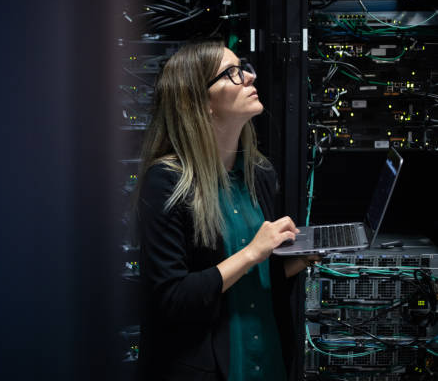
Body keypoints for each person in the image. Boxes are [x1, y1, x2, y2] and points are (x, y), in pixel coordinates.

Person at [133, 38, 320, 381]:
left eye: (244, 68)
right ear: (200, 103)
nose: (249, 78)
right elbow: (172, 298)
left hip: (268, 360)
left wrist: (296, 262)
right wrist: (252, 252)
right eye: (231, 73)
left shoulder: (259, 173)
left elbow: (249, 283)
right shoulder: (166, 183)